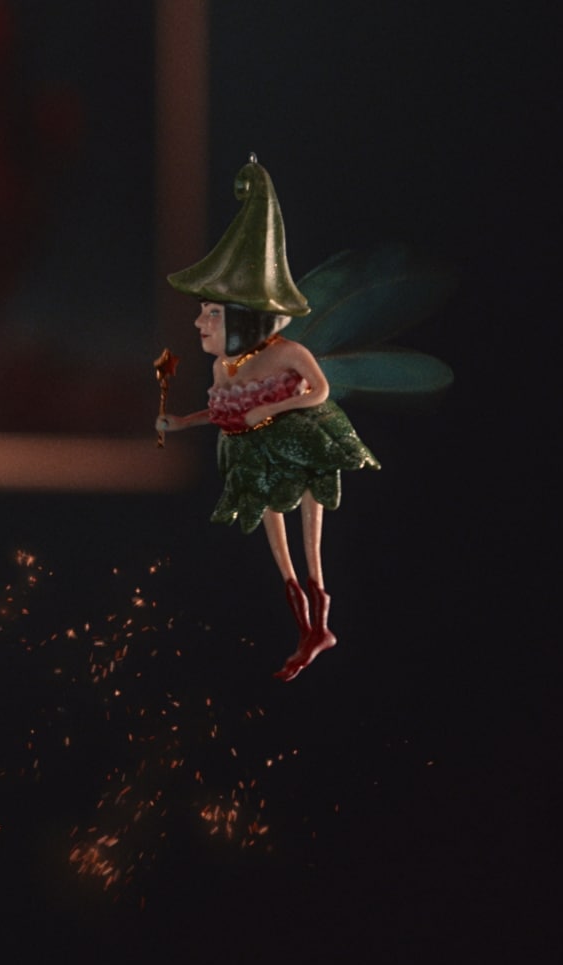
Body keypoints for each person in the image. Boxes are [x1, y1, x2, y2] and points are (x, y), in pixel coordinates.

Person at [155, 157, 378, 681]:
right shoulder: (223, 368)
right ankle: (305, 627)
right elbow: (219, 411)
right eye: (203, 312)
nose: (200, 322)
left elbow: (320, 390)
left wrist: (273, 408)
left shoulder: (288, 352)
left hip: (304, 439)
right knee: (277, 541)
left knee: (310, 533)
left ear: (245, 317)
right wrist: (181, 423)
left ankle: (321, 617)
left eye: (211, 313)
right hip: (254, 453)